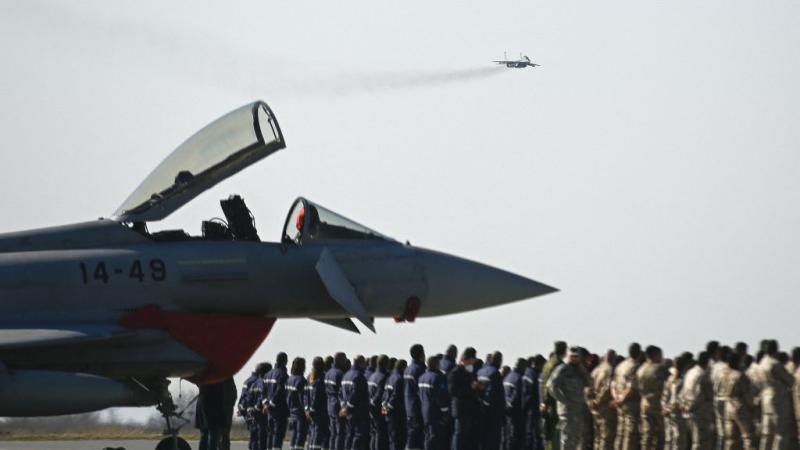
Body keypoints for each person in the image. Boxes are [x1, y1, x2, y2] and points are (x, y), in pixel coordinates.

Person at [757, 340, 796, 450]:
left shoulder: (761, 363)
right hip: (778, 399)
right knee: (780, 433)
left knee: (767, 433)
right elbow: (790, 380)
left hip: (765, 398)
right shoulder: (775, 364)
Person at [547, 347, 588, 450]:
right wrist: (564, 400)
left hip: (578, 409)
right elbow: (551, 386)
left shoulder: (579, 370)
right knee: (567, 438)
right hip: (567, 410)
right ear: (568, 356)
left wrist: (582, 370)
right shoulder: (562, 369)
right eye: (572, 356)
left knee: (577, 438)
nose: (574, 359)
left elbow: (590, 383)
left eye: (577, 357)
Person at [719, 353, 756, 450]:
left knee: (731, 439)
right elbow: (746, 394)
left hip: (727, 405)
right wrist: (752, 407)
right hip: (740, 406)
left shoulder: (722, 374)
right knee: (748, 437)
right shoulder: (740, 375)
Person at [681, 351, 716, 450]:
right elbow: (700, 396)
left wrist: (684, 405)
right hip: (700, 413)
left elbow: (683, 392)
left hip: (687, 412)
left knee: (691, 442)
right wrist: (691, 407)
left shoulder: (690, 372)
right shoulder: (703, 376)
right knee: (700, 443)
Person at [636, 345, 669, 450]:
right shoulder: (660, 368)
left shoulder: (640, 369)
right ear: (655, 355)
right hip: (658, 405)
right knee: (661, 434)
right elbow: (670, 381)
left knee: (647, 433)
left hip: (645, 403)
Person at [449, 347, 481, 450]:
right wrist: (470, 388)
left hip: (471, 409)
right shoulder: (455, 372)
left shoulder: (471, 372)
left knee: (469, 438)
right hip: (461, 410)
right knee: (459, 436)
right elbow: (453, 391)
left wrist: (478, 387)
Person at [612, 342, 643, 450]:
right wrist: (622, 399)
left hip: (620, 402)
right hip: (630, 403)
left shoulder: (621, 366)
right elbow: (632, 387)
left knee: (620, 432)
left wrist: (617, 398)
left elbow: (613, 384)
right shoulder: (635, 366)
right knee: (630, 434)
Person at [587, 350, 616, 450]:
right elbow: (607, 388)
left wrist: (591, 401)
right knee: (606, 438)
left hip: (595, 409)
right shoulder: (610, 370)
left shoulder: (596, 370)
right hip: (605, 408)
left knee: (597, 437)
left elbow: (588, 388)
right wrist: (598, 401)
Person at [419, 355, 450, 450]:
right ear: (436, 364)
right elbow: (440, 398)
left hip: (425, 412)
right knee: (435, 439)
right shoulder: (437, 378)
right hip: (436, 414)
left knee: (427, 438)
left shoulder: (422, 377)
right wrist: (445, 413)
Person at [340, 355, 370, 450]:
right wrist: (348, 407)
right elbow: (355, 393)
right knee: (359, 435)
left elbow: (340, 393)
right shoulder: (359, 376)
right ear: (361, 363)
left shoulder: (346, 375)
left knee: (349, 434)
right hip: (358, 410)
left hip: (348, 411)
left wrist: (344, 406)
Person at [542, 342, 567, 450]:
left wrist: (543, 402)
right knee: (555, 432)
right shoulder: (558, 364)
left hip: (548, 402)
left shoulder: (548, 363)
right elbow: (552, 385)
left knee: (549, 432)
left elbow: (543, 384)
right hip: (554, 402)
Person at [478, 351, 506, 450]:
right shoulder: (495, 373)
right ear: (499, 361)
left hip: (481, 411)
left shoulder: (481, 371)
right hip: (493, 412)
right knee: (493, 441)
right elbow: (495, 393)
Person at [663, 353, 691, 450]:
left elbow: (665, 396)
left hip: (670, 411)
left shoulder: (670, 379)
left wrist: (665, 407)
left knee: (670, 438)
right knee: (679, 438)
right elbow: (682, 397)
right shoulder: (683, 380)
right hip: (678, 411)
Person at [263, 352, 290, 450]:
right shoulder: (283, 375)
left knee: (270, 435)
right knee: (278, 435)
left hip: (269, 411)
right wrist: (271, 404)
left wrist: (266, 404)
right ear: (285, 361)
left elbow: (263, 392)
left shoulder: (267, 375)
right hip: (279, 410)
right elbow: (280, 391)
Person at [240, 363, 270, 450]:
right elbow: (262, 398)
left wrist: (250, 410)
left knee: (253, 439)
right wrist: (257, 408)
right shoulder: (263, 383)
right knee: (262, 440)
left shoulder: (254, 384)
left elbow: (248, 399)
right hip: (261, 415)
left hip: (253, 416)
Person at [405, 344, 427, 450]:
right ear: (421, 354)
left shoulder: (408, 370)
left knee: (411, 436)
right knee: (418, 438)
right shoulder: (420, 370)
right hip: (418, 407)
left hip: (408, 407)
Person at [382, 359, 407, 450]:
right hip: (397, 412)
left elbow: (385, 393)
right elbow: (396, 395)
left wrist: (384, 405)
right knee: (399, 439)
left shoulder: (390, 378)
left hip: (389, 413)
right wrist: (389, 407)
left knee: (392, 438)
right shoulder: (400, 379)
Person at [504, 358, 528, 450]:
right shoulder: (519, 378)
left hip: (507, 410)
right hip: (516, 412)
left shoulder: (508, 376)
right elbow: (517, 397)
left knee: (508, 436)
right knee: (516, 437)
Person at [523, 355, 546, 450]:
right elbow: (532, 394)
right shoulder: (533, 375)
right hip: (533, 409)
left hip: (530, 409)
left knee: (532, 433)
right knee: (534, 434)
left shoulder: (528, 373)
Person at [306, 357, 329, 450]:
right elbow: (317, 395)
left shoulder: (309, 377)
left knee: (313, 432)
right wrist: (312, 409)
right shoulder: (322, 377)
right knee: (318, 433)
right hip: (320, 410)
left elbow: (306, 394)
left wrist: (307, 408)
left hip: (311, 410)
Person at [327, 352, 348, 450]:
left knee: (333, 433)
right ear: (340, 360)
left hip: (329, 404)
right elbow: (342, 392)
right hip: (337, 405)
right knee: (340, 433)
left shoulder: (328, 373)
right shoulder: (340, 374)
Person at [369, 355, 390, 450]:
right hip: (377, 408)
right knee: (380, 433)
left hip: (370, 407)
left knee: (374, 432)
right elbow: (380, 395)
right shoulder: (383, 377)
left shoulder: (372, 376)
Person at [287, 357, 308, 450]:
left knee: (294, 435)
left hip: (291, 411)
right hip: (300, 412)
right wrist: (307, 410)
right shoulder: (301, 381)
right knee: (300, 435)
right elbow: (303, 398)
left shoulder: (289, 379)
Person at [220, 377, 238, 450]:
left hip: (221, 409)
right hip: (227, 409)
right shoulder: (228, 379)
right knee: (225, 435)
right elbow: (234, 395)